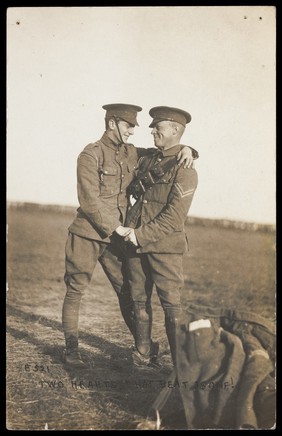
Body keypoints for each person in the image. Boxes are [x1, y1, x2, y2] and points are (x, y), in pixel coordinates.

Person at [62, 103, 199, 368]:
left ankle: (148, 351)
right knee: (76, 290)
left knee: (131, 293)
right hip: (91, 233)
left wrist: (188, 149)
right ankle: (71, 349)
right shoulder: (90, 154)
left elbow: (166, 156)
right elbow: (89, 200)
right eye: (129, 125)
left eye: (137, 126)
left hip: (122, 238)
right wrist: (117, 228)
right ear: (112, 123)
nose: (134, 131)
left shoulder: (132, 154)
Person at [119, 106, 198, 367]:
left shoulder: (185, 169)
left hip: (163, 247)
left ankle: (179, 364)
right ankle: (143, 352)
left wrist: (139, 235)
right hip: (135, 243)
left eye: (158, 127)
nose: (152, 130)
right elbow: (125, 150)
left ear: (175, 130)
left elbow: (174, 217)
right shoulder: (149, 158)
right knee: (138, 300)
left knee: (171, 306)